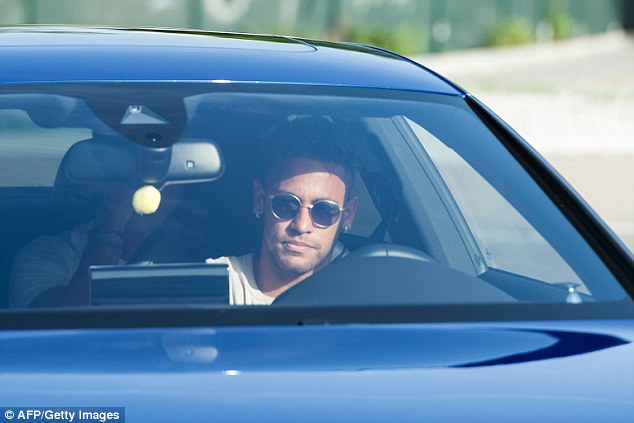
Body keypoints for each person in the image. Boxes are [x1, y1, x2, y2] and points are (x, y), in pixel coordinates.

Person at [206, 117, 358, 305]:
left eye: (324, 210)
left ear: (348, 214)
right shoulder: (214, 286)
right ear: (259, 200)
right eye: (286, 204)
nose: (301, 225)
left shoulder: (364, 297)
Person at [9, 183, 197, 308]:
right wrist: (112, 220)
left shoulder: (197, 252)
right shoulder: (46, 255)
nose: (153, 185)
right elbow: (57, 332)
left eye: (165, 178)